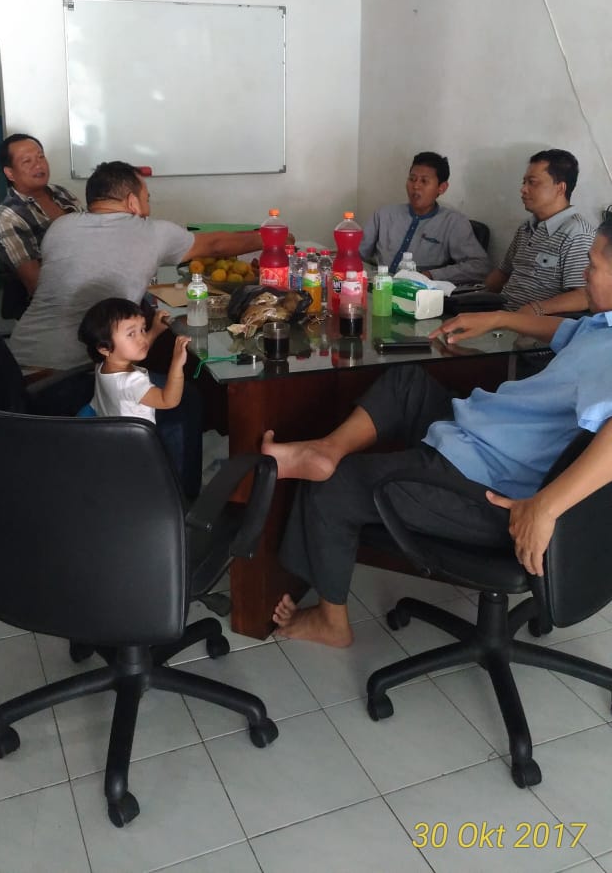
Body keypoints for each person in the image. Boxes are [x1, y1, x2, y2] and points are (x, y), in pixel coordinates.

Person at [261, 214, 612, 648]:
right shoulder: (603, 326)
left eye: (594, 265)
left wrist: (545, 507)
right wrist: (498, 318)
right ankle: (327, 449)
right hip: (483, 438)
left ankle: (331, 621)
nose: (584, 273)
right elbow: (568, 331)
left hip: (491, 485)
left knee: (336, 486)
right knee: (406, 383)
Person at [8, 159, 266, 371]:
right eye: (146, 199)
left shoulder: (60, 227)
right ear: (132, 202)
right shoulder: (152, 232)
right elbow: (216, 245)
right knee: (188, 401)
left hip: (16, 363)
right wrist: (274, 236)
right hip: (76, 372)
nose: (147, 209)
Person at [78, 297, 193, 494]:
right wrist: (177, 364)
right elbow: (168, 400)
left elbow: (135, 350)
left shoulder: (104, 365)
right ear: (104, 348)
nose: (141, 338)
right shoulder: (131, 382)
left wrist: (154, 331)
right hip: (137, 451)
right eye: (131, 333)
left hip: (111, 437)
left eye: (142, 329)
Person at [484, 149, 594, 315]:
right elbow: (502, 273)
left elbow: (584, 295)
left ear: (560, 188)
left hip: (532, 323)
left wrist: (535, 309)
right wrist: (472, 296)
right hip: (503, 313)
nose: (523, 189)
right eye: (524, 182)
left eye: (532, 182)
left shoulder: (577, 233)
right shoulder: (527, 227)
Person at [360, 151, 490, 285]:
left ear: (442, 188)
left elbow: (480, 267)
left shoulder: (453, 223)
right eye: (412, 179)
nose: (415, 186)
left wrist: (430, 275)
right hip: (378, 286)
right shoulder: (384, 215)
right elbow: (356, 254)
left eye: (424, 181)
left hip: (419, 291)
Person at [0, 133, 82, 297]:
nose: (39, 165)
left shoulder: (61, 193)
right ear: (10, 173)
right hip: (48, 300)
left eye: (41, 157)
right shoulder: (9, 216)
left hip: (84, 285)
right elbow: (35, 283)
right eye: (27, 161)